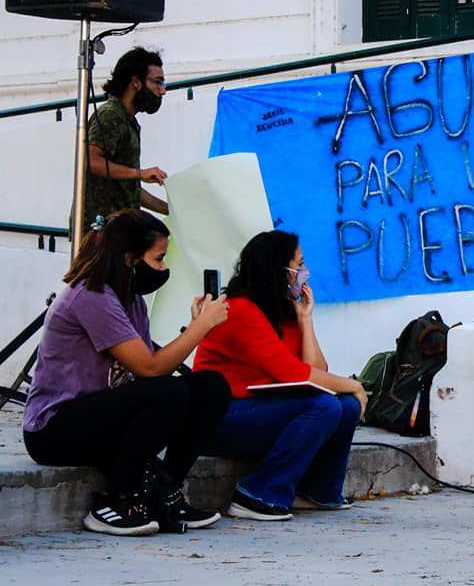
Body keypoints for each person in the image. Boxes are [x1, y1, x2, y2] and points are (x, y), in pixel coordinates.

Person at [22, 209, 232, 536]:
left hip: (102, 415)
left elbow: (152, 360)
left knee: (210, 387)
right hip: (54, 429)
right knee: (168, 390)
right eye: (159, 259)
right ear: (130, 258)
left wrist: (194, 327)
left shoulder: (130, 299)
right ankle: (120, 499)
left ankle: (165, 489)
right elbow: (149, 369)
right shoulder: (91, 295)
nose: (164, 269)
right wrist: (201, 327)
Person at [194, 230, 367, 521]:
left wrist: (305, 320)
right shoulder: (239, 311)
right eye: (298, 266)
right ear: (278, 270)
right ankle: (256, 495)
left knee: (346, 405)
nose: (303, 273)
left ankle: (316, 491)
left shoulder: (281, 310)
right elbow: (295, 373)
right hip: (220, 418)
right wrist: (354, 384)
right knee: (324, 405)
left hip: (262, 412)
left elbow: (316, 371)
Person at [82, 47, 170, 231]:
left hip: (120, 231)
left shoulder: (128, 120)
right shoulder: (110, 115)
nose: (162, 92)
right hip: (101, 234)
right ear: (136, 82)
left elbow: (129, 188)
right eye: (158, 83)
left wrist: (170, 209)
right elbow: (90, 161)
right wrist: (139, 173)